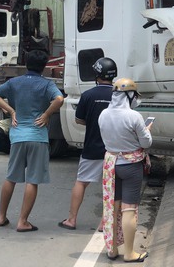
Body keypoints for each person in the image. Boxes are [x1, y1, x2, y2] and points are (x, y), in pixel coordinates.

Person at [0, 50, 64, 233]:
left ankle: (1, 217)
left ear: (26, 63)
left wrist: (11, 111)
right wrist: (46, 114)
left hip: (17, 136)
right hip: (38, 137)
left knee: (11, 177)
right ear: (44, 66)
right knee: (32, 180)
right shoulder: (46, 84)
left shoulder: (14, 82)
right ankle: (22, 221)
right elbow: (59, 99)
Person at [58, 57, 117, 231]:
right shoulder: (120, 95)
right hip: (114, 150)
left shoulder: (88, 95)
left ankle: (71, 219)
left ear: (97, 75)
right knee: (110, 187)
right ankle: (103, 223)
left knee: (81, 182)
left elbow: (79, 120)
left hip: (92, 147)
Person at [99, 78, 152, 262]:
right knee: (129, 209)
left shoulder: (103, 114)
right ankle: (129, 253)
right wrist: (146, 130)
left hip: (111, 165)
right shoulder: (134, 116)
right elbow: (146, 142)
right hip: (131, 166)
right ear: (129, 95)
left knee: (113, 208)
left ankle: (112, 249)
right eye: (134, 95)